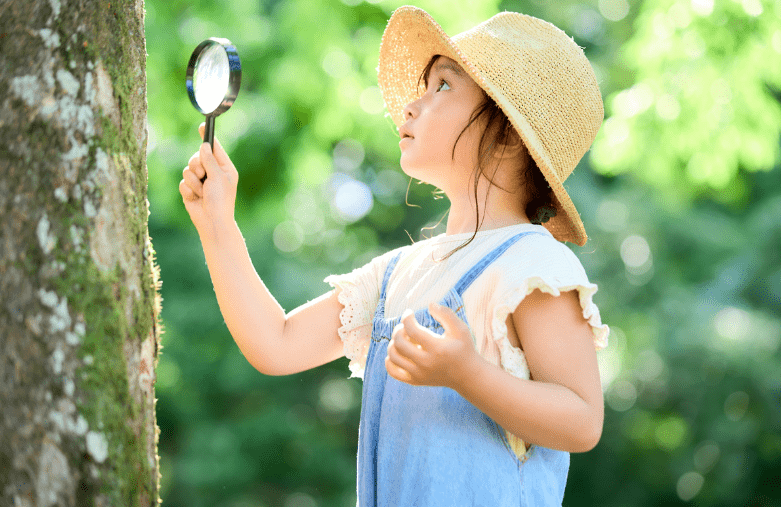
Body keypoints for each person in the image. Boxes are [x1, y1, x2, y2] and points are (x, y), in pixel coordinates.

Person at [179, 5, 609, 506]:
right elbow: (276, 344)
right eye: (423, 87)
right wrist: (218, 227)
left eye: (443, 87)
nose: (412, 104)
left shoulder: (534, 266)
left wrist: (468, 374)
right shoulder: (394, 276)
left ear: (509, 134)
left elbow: (581, 420)